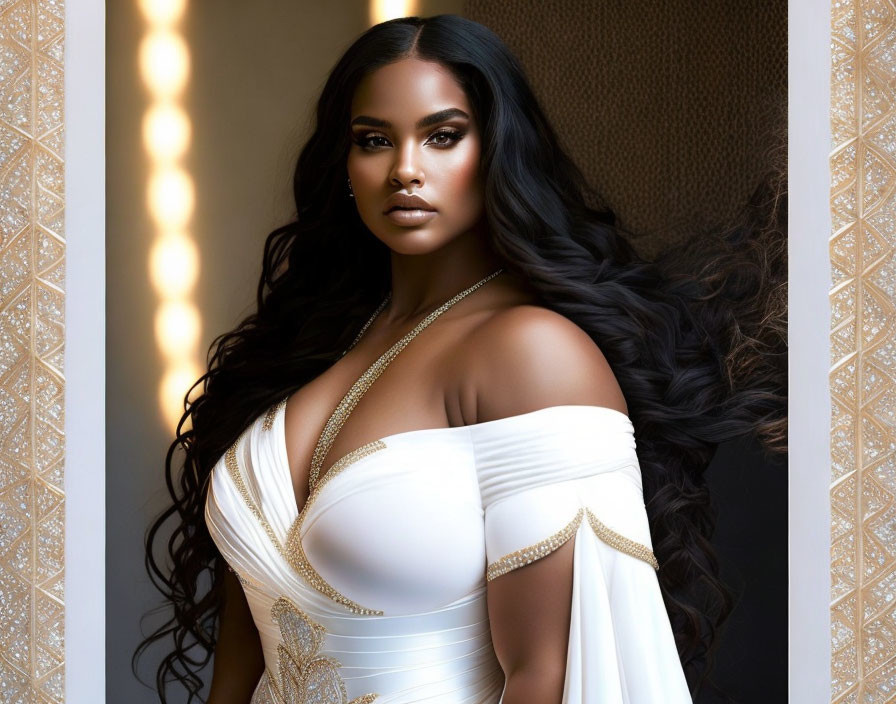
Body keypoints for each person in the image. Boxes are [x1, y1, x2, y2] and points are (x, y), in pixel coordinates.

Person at [135, 14, 786, 704]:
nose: (405, 170)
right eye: (373, 141)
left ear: (498, 150)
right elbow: (237, 675)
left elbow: (548, 675)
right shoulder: (303, 351)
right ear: (344, 165)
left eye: (443, 135)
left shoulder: (530, 355)